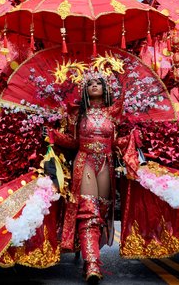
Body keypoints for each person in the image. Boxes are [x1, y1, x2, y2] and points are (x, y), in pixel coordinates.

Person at [48, 76, 120, 283]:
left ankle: (90, 251)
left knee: (102, 211)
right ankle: (92, 265)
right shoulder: (76, 113)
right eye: (89, 84)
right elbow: (73, 141)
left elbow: (116, 143)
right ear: (84, 90)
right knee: (89, 210)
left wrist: (132, 141)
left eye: (98, 83)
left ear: (106, 89)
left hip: (106, 162)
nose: (94, 86)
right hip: (85, 160)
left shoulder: (114, 112)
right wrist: (52, 135)